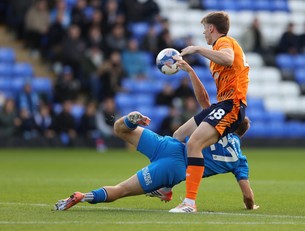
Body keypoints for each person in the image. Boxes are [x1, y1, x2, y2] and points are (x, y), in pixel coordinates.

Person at [54, 63, 258, 212]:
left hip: (167, 144)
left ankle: (132, 120)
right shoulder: (239, 159)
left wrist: (190, 71)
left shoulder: (215, 122)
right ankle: (82, 197)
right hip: (175, 167)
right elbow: (248, 196)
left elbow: (204, 99)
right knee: (122, 189)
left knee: (120, 129)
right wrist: (251, 205)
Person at [169, 11, 249, 213]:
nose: (204, 32)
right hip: (222, 104)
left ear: (212, 28)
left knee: (194, 143)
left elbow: (229, 59)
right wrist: (190, 71)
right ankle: (166, 185)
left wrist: (197, 49)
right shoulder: (215, 57)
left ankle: (189, 203)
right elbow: (205, 101)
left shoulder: (225, 42)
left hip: (233, 105)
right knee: (178, 135)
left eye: (204, 28)